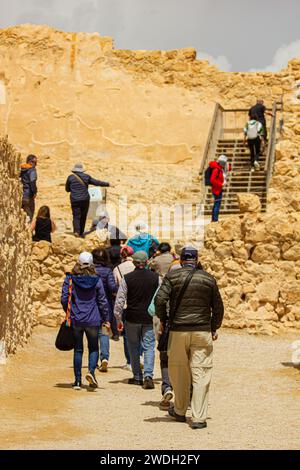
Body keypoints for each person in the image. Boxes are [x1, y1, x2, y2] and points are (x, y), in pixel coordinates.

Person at [155, 246, 224, 429]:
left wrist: (164, 320)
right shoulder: (208, 279)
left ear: (181, 259)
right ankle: (199, 418)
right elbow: (218, 307)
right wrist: (213, 327)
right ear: (197, 259)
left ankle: (179, 410)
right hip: (202, 331)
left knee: (179, 371)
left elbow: (160, 300)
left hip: (178, 330)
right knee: (201, 372)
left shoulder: (172, 277)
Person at [61, 252, 110, 390]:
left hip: (76, 319)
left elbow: (64, 299)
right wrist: (106, 318)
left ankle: (77, 381)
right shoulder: (97, 280)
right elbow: (102, 301)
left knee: (78, 349)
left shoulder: (70, 279)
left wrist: (69, 312)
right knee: (93, 347)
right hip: (93, 319)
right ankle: (91, 372)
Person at [114, 251, 159, 389]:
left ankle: (137, 377)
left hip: (132, 318)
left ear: (133, 262)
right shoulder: (156, 278)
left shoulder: (127, 278)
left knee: (133, 347)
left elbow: (119, 301)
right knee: (149, 347)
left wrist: (118, 319)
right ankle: (148, 376)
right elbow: (160, 298)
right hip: (149, 318)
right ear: (146, 263)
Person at [65, 163, 110, 238]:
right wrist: (108, 184)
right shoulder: (86, 177)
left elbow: (67, 189)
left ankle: (76, 231)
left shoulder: (70, 177)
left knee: (76, 216)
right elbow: (97, 182)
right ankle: (81, 232)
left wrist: (73, 189)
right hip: (85, 199)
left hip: (75, 200)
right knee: (83, 216)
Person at [92, 248, 119, 372]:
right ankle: (104, 358)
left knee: (92, 334)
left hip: (90, 306)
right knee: (104, 332)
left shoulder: (90, 271)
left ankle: (94, 359)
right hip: (105, 304)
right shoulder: (108, 271)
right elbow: (112, 287)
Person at [113, 245, 136, 370]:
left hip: (125, 304)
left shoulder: (117, 269)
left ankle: (130, 362)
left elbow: (116, 285)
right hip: (138, 302)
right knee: (141, 332)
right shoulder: (137, 266)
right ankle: (140, 357)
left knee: (127, 334)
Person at [209, 154, 227, 222]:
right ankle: (215, 219)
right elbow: (212, 180)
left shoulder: (218, 169)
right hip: (217, 189)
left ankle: (214, 219)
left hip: (217, 189)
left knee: (216, 204)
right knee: (217, 204)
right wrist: (221, 185)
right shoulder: (216, 169)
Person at [20, 154, 38, 222]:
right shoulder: (32, 170)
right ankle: (28, 231)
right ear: (29, 162)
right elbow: (32, 181)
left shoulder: (21, 169)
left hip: (21, 195)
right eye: (34, 162)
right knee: (30, 214)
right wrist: (34, 192)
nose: (35, 164)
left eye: (36, 163)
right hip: (28, 196)